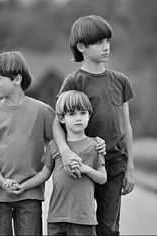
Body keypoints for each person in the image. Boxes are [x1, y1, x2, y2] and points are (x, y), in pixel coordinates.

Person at [52, 15, 135, 236]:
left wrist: (131, 167)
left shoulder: (120, 81)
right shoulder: (74, 81)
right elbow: (56, 123)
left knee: (109, 228)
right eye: (99, 43)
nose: (106, 47)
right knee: (82, 226)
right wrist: (66, 152)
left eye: (107, 41)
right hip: (84, 162)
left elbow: (126, 126)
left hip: (116, 163)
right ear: (81, 46)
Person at [0, 51, 56, 235]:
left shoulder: (42, 111)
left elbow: (59, 144)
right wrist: (3, 183)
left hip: (30, 195)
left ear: (17, 78)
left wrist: (95, 143)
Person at [11, 90, 107, 236]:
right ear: (61, 119)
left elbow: (102, 178)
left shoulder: (95, 145)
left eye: (83, 113)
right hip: (56, 218)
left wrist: (85, 169)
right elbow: (44, 174)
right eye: (72, 114)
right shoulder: (54, 146)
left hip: (83, 220)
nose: (78, 118)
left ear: (89, 116)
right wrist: (22, 186)